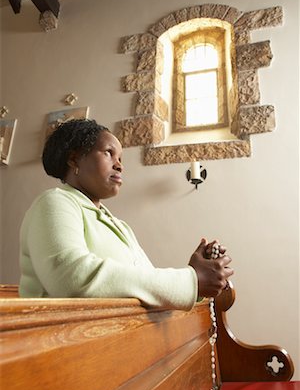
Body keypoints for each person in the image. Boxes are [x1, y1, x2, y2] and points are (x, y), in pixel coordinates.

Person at [19, 119, 233, 309]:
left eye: (120, 157)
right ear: (74, 160)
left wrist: (197, 275)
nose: (119, 165)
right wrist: (191, 280)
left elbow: (144, 286)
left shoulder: (120, 226)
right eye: (108, 153)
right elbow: (70, 279)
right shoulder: (55, 202)